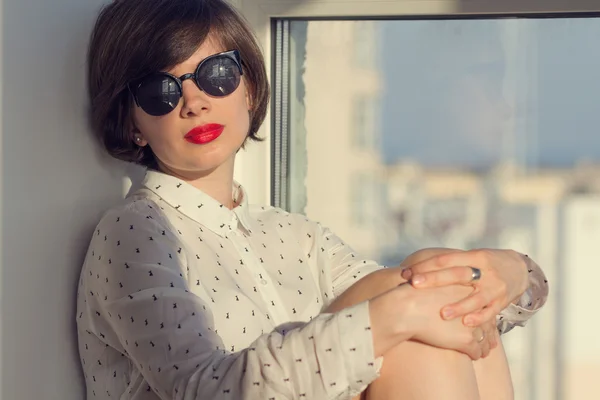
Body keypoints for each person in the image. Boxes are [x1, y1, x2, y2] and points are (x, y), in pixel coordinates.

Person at [76, 0, 549, 399]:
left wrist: (514, 271)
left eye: (216, 74)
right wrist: (390, 318)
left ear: (251, 89)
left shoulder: (293, 236)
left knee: (424, 278)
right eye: (162, 90)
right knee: (403, 311)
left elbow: (439, 304)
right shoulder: (135, 231)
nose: (194, 101)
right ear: (132, 121)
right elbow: (206, 388)